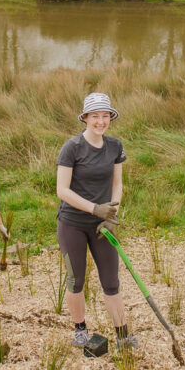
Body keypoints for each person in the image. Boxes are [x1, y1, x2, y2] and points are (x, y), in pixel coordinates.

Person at [56, 93, 134, 349]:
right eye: (95, 116)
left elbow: (117, 183)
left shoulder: (115, 146)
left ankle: (123, 335)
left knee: (111, 281)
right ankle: (80, 329)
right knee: (75, 280)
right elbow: (62, 190)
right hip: (73, 223)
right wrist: (94, 209)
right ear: (85, 118)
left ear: (110, 118)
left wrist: (111, 214)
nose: (100, 121)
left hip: (103, 226)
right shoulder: (72, 147)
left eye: (105, 116)